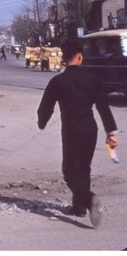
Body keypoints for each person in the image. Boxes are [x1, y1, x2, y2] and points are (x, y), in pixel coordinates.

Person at [37, 40, 118, 228]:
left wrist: (42, 122)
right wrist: (111, 132)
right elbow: (103, 107)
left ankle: (88, 199)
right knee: (84, 168)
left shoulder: (57, 81)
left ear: (64, 59)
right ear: (80, 57)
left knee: (70, 170)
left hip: (71, 130)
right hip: (91, 128)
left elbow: (45, 107)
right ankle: (79, 207)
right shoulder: (92, 79)